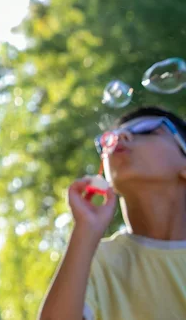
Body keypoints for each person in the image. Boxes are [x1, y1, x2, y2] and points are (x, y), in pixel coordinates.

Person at [39, 106, 186, 320]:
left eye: (147, 130)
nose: (120, 137)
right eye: (111, 137)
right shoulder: (94, 261)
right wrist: (85, 231)